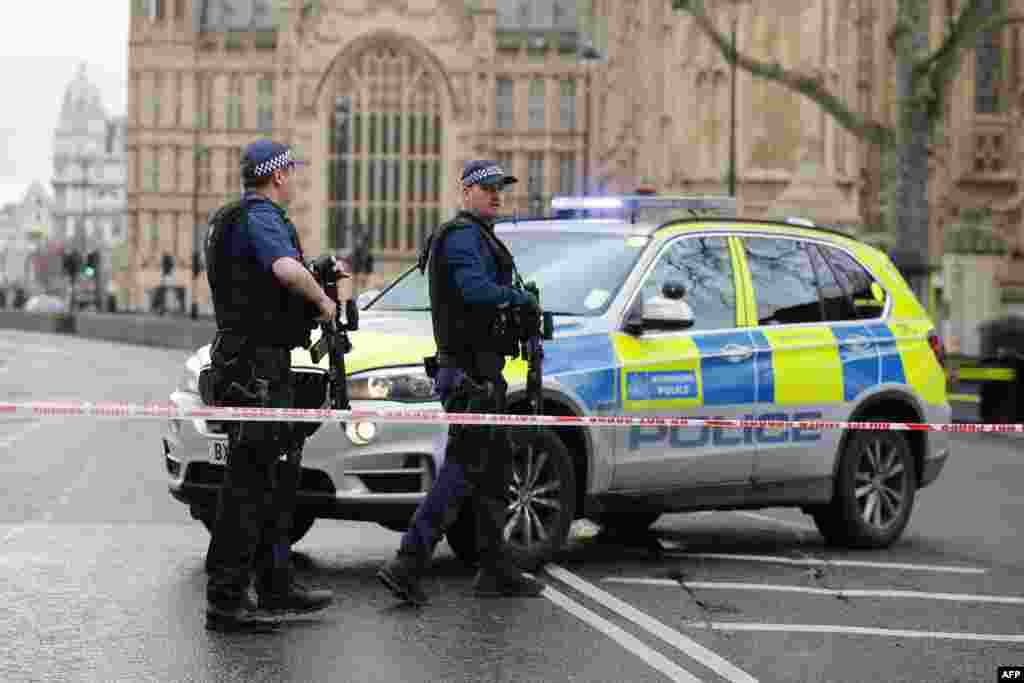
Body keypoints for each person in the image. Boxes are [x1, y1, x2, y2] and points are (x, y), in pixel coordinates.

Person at [377, 160, 545, 606]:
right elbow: (473, 290)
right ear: (466, 191)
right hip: (469, 375)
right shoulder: (463, 237)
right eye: (486, 187)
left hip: (482, 373)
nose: (495, 195)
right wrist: (519, 300)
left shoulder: (477, 236)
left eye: (500, 189)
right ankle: (406, 563)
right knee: (460, 473)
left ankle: (495, 569)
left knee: (493, 475)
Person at [201, 139, 347, 631]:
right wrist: (324, 303)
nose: (294, 178)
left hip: (254, 363)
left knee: (266, 481)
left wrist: (316, 275)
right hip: (254, 369)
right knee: (247, 487)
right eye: (291, 171)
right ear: (278, 175)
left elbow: (266, 284)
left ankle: (273, 583)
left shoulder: (234, 218)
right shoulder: (259, 217)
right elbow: (284, 270)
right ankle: (226, 600)